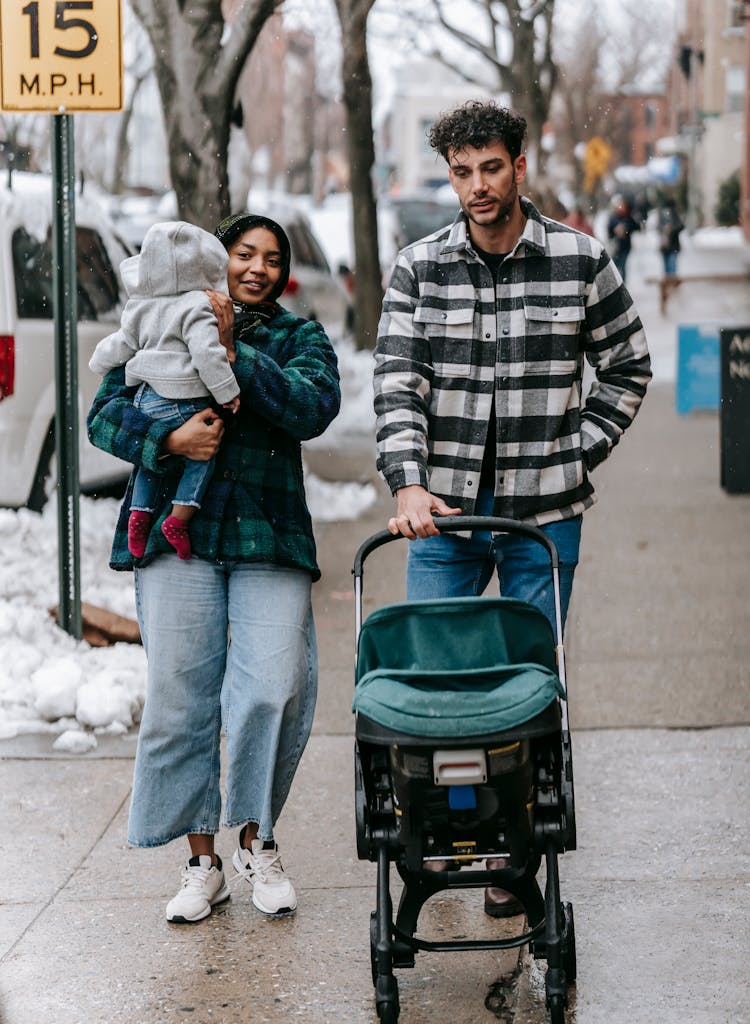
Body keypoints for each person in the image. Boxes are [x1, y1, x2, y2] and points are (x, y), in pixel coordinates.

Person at [374, 99, 651, 917]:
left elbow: (627, 366)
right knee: (433, 681)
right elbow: (397, 380)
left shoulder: (578, 258)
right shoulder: (420, 266)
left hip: (544, 511)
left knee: (530, 684)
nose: (478, 186)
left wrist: (579, 447)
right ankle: (434, 837)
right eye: (462, 172)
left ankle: (515, 848)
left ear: (519, 166)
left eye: (491, 168)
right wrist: (408, 480)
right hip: (445, 513)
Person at [87, 213, 340, 924]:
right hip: (177, 538)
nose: (257, 267)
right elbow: (103, 414)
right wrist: (168, 436)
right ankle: (203, 862)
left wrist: (234, 352)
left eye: (271, 258)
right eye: (243, 253)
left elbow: (313, 406)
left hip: (269, 537)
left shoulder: (297, 336)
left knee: (269, 688)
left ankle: (257, 841)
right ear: (216, 258)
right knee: (181, 697)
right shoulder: (160, 316)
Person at [89, 221, 241, 562]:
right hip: (184, 400)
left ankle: (140, 514)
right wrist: (226, 391)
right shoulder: (197, 306)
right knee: (203, 456)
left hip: (146, 399)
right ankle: (179, 519)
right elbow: (207, 354)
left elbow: (120, 344)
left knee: (149, 462)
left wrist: (98, 362)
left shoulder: (140, 307)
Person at [606, 198, 639, 282]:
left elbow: (636, 227)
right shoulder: (614, 217)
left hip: (625, 247)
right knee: (615, 267)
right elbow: (609, 231)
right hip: (615, 247)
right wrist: (616, 230)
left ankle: (622, 285)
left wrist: (626, 228)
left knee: (622, 266)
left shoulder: (629, 218)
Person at [657, 197, 684, 277]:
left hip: (671, 246)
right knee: (669, 267)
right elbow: (658, 227)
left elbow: (680, 226)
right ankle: (669, 284)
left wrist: (671, 229)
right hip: (667, 246)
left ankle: (670, 284)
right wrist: (665, 229)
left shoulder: (673, 214)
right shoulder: (663, 215)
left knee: (670, 267)